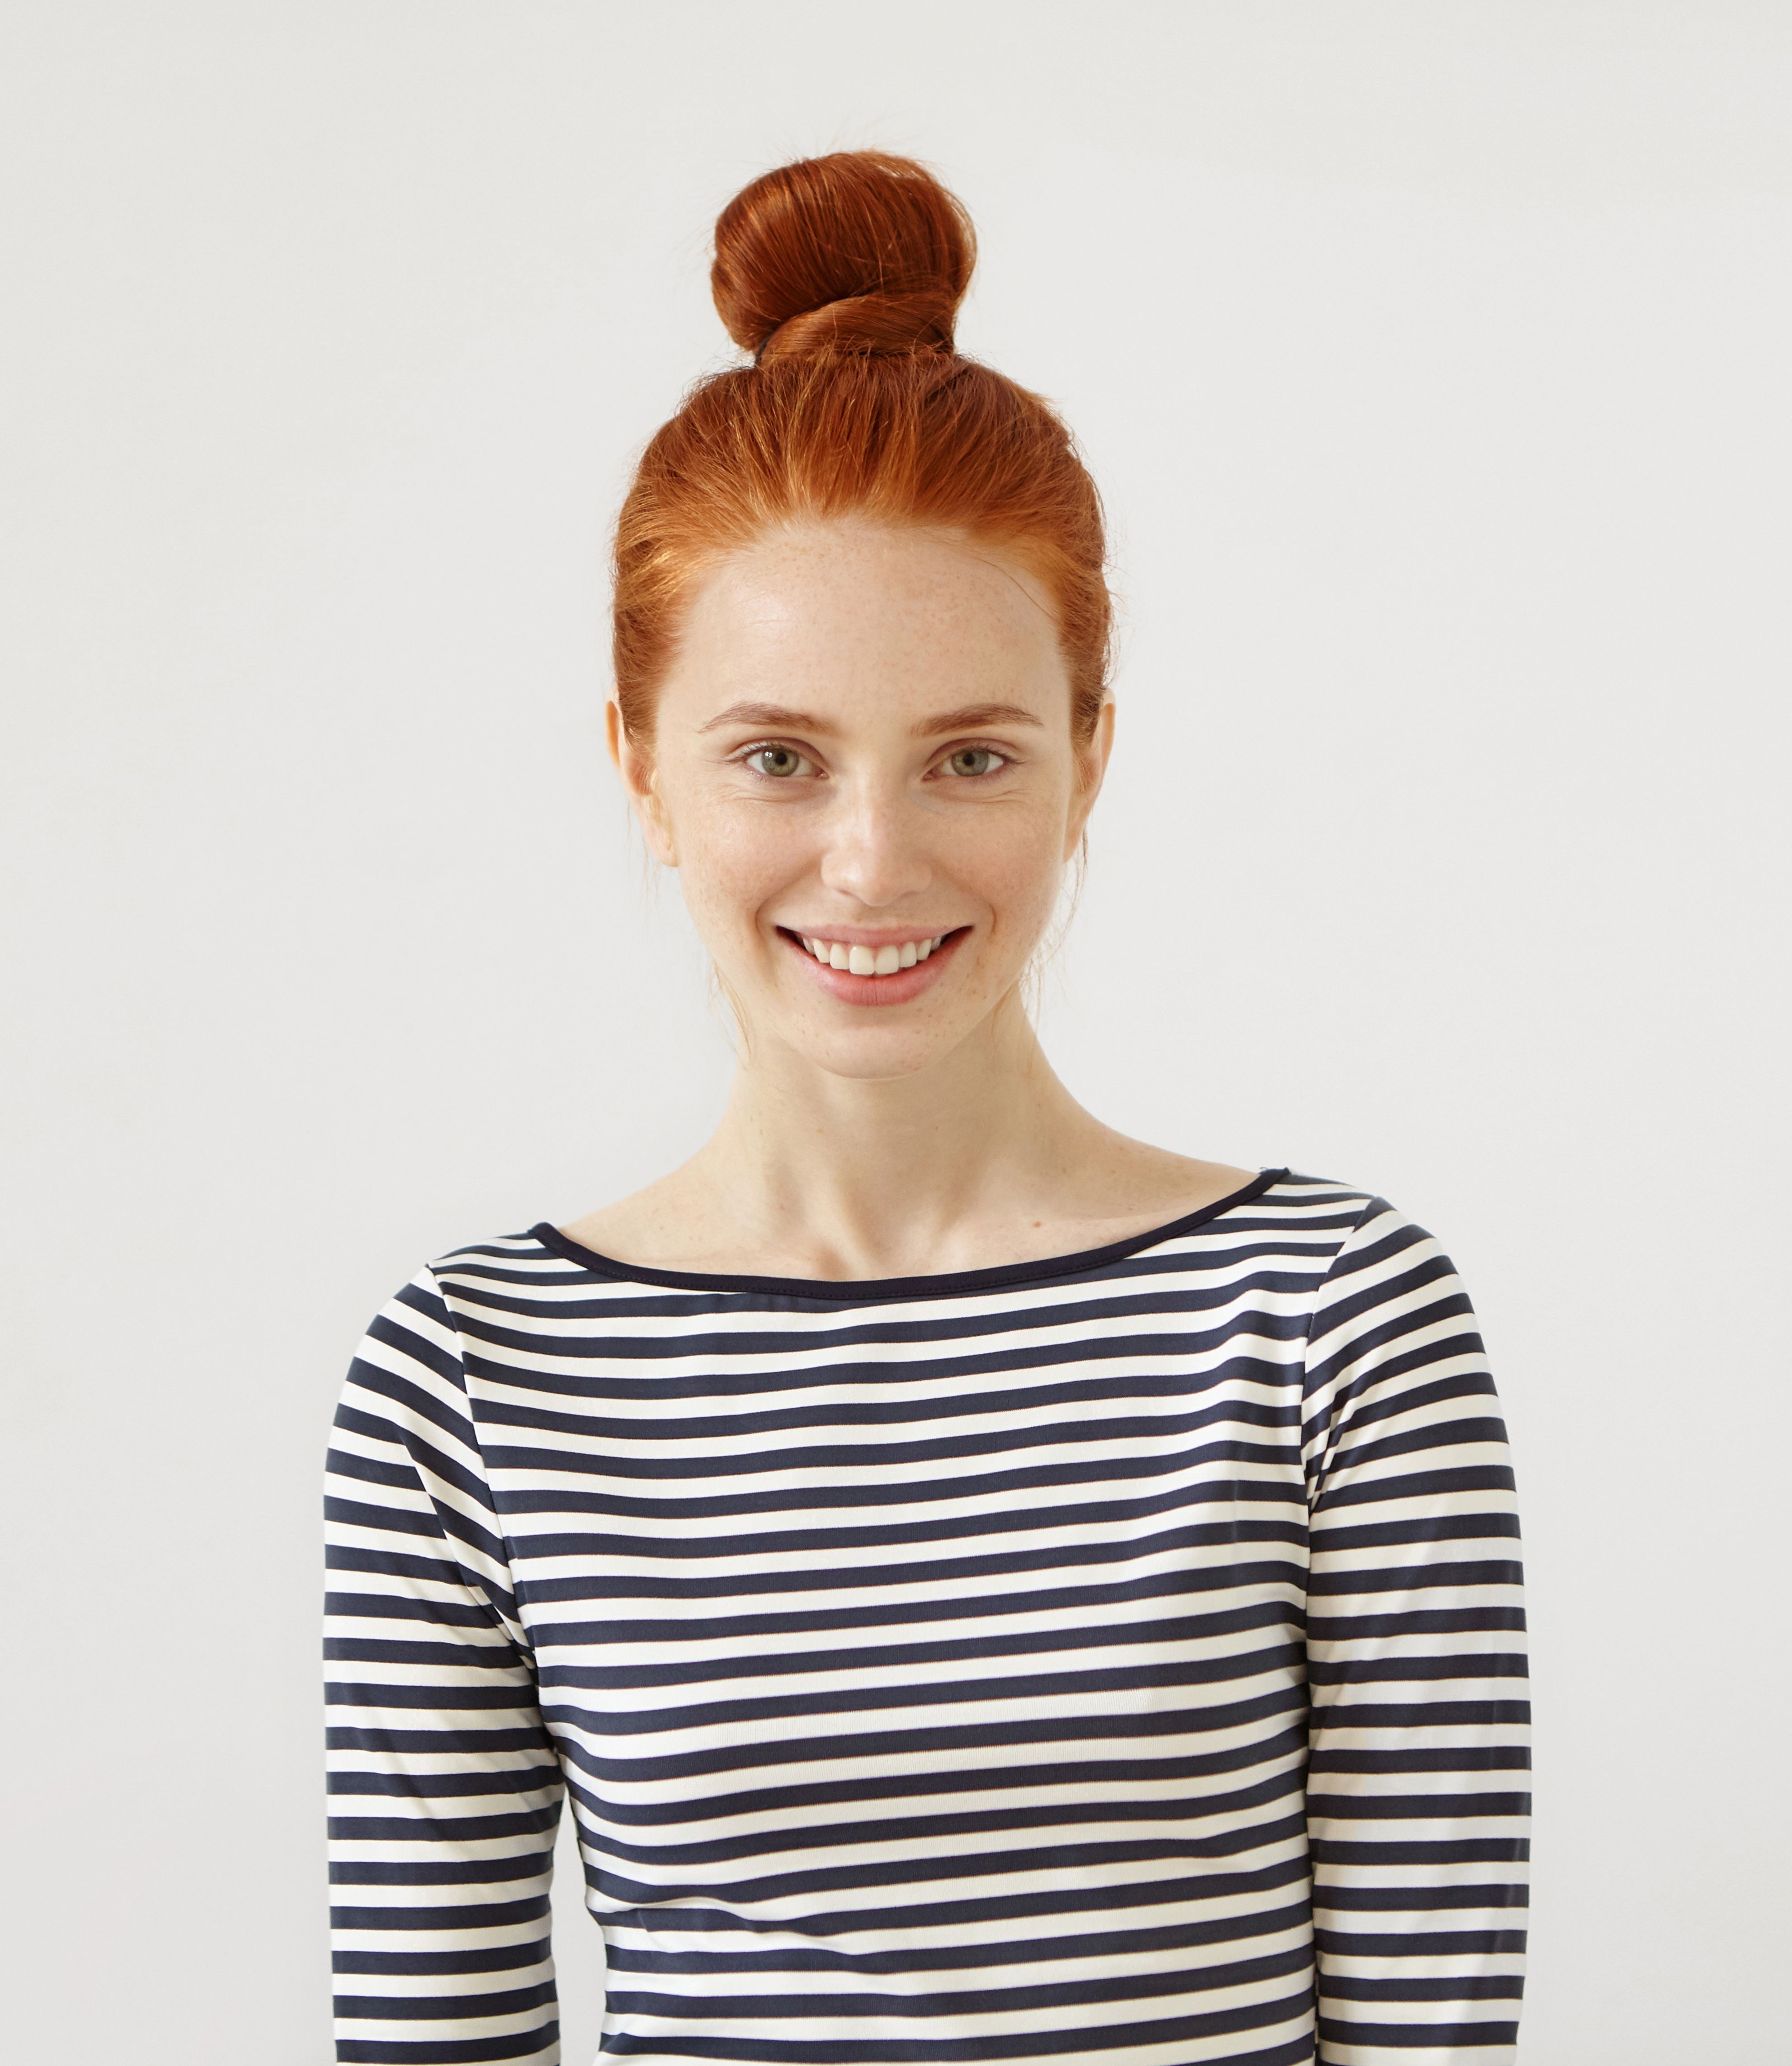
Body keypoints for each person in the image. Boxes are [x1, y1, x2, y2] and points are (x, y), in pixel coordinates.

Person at [321, 152, 1528, 2066]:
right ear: (640, 768)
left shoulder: (1329, 1322)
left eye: (970, 756)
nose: (872, 863)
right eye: (777, 758)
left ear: (1089, 760)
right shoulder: (472, 1375)